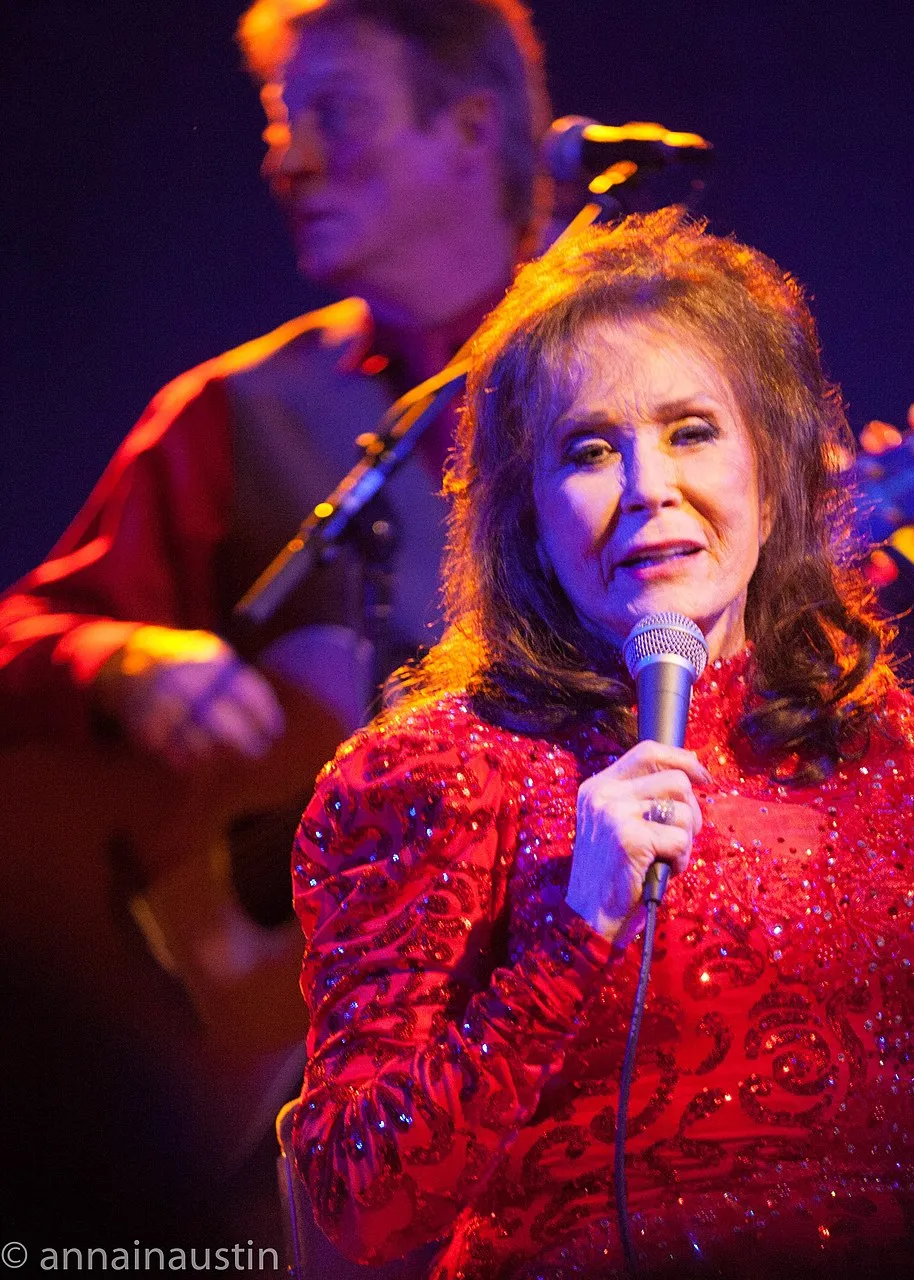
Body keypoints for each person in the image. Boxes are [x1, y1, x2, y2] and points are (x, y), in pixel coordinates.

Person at [289, 208, 914, 1279]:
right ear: (527, 515)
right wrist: (573, 932)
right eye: (589, 449)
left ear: (774, 469)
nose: (647, 487)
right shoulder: (438, 773)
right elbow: (351, 1199)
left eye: (690, 430)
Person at [0, 0, 551, 1245]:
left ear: (469, 127)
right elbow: (27, 633)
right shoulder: (230, 413)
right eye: (276, 118)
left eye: (332, 114)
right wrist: (118, 656)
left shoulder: (623, 397)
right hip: (272, 1095)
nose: (284, 156)